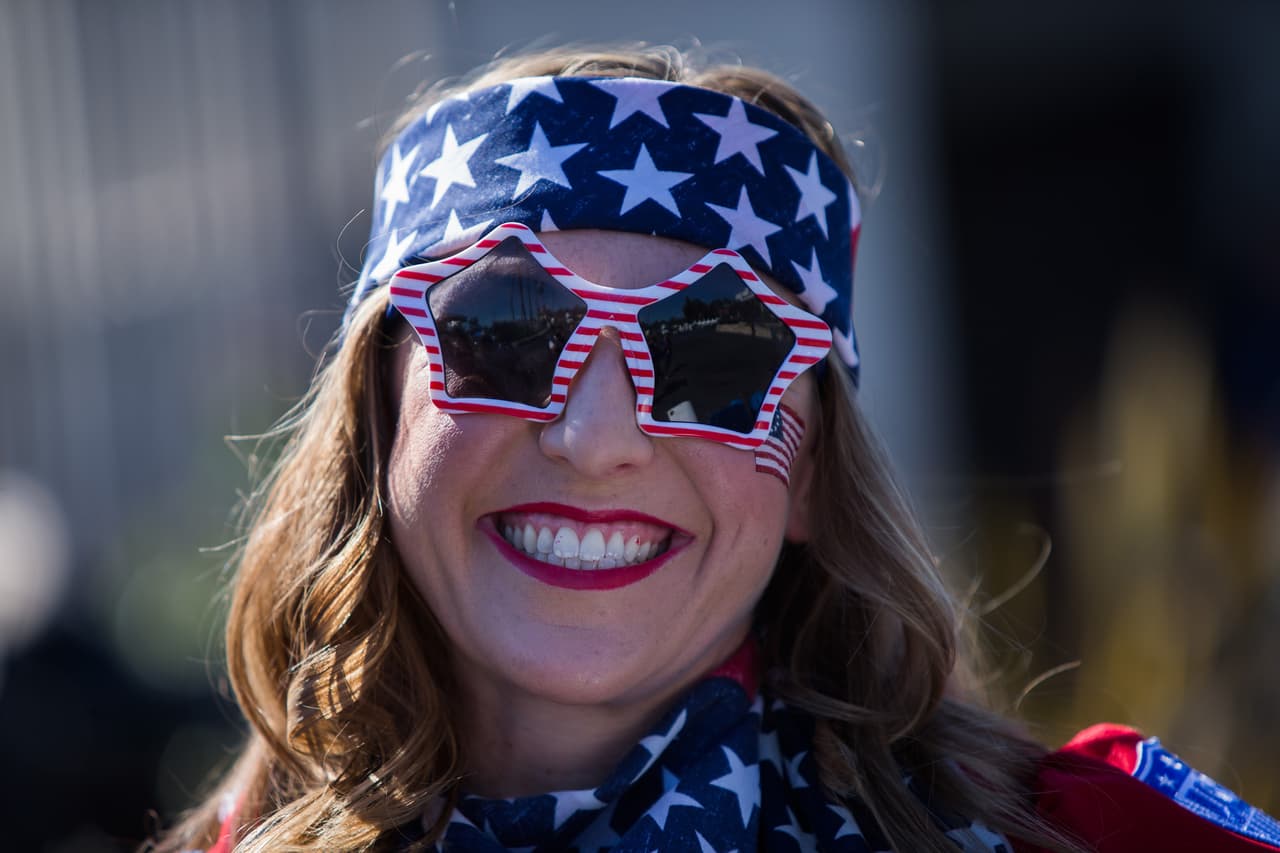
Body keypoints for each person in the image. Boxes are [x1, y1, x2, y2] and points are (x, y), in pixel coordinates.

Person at [152, 45, 1280, 853]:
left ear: (810, 473)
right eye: (504, 329)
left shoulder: (1097, 837)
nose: (596, 441)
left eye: (717, 351)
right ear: (378, 411)